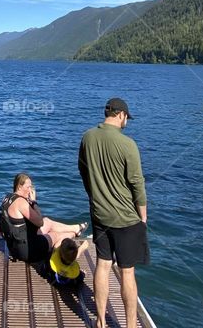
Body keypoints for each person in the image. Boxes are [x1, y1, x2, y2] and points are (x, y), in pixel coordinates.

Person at [78, 98, 148, 328]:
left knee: (103, 265)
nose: (127, 121)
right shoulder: (128, 144)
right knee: (127, 272)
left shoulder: (87, 137)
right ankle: (129, 325)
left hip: (99, 215)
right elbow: (137, 183)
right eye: (127, 117)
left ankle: (100, 321)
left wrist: (94, 195)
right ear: (121, 115)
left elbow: (83, 170)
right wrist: (143, 217)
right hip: (126, 219)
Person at [0, 173, 87, 264]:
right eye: (28, 187)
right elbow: (40, 222)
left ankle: (76, 228)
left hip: (15, 249)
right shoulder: (22, 203)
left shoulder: (6, 199)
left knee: (48, 221)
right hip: (29, 251)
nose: (30, 190)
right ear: (19, 187)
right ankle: (74, 233)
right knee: (58, 235)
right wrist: (34, 202)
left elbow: (0, 226)